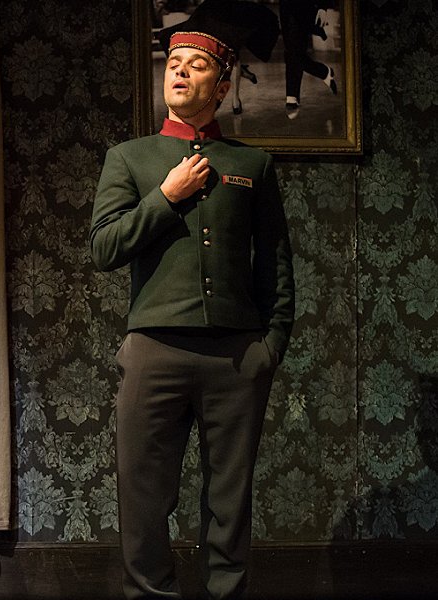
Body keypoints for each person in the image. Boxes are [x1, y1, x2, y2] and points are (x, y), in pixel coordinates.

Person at [90, 3, 295, 598]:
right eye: (173, 62)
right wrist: (166, 196)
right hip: (154, 351)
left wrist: (268, 348)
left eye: (195, 65)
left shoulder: (252, 165)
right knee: (144, 498)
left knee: (230, 502)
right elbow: (104, 247)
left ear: (222, 86)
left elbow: (276, 267)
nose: (179, 71)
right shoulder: (130, 158)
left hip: (236, 356)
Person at [279, 0, 338, 119]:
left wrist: (323, 7)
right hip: (286, 4)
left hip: (305, 4)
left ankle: (292, 96)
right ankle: (323, 72)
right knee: (292, 49)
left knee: (294, 48)